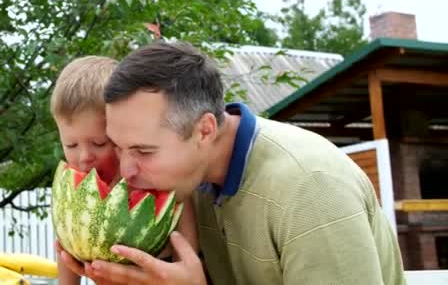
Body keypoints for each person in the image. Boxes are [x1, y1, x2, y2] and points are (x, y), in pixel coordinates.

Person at [59, 41, 406, 284]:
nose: (127, 171)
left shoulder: (311, 189)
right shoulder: (183, 185)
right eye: (118, 148)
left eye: (143, 151)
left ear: (204, 130)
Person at [50, 55, 199, 285]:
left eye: (99, 143)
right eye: (70, 145)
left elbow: (188, 266)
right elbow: (66, 246)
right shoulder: (72, 187)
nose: (84, 157)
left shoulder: (164, 184)